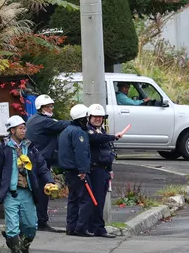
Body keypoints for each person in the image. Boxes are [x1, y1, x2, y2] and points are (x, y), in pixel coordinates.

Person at [0, 115, 55, 253]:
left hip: (28, 192)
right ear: (12, 130)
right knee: (12, 226)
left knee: (31, 226)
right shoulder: (3, 148)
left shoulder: (30, 147)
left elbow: (42, 166)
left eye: (24, 127)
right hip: (11, 193)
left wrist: (49, 181)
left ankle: (24, 247)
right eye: (20, 128)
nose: (23, 130)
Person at [25, 94, 69, 232]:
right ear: (40, 108)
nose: (51, 108)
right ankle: (41, 222)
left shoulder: (34, 119)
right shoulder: (43, 121)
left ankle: (36, 220)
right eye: (47, 106)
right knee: (43, 191)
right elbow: (61, 125)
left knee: (37, 192)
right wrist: (78, 121)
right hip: (40, 162)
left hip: (36, 161)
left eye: (51, 106)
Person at [84, 104, 122, 238]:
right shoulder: (89, 131)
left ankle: (96, 226)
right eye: (95, 117)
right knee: (96, 200)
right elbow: (95, 140)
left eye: (100, 117)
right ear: (89, 117)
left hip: (104, 170)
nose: (98, 119)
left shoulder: (102, 131)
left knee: (100, 200)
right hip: (95, 170)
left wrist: (110, 169)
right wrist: (114, 136)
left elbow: (107, 150)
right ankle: (97, 228)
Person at [57, 104, 94, 237]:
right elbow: (81, 153)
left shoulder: (66, 131)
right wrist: (83, 170)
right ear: (82, 119)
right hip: (78, 171)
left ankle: (71, 227)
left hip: (69, 171)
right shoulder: (79, 132)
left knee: (73, 199)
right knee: (86, 199)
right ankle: (80, 228)